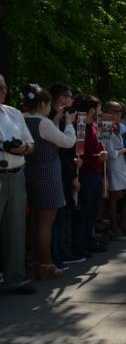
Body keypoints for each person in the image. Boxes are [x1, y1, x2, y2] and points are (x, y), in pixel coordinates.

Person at [22, 84, 77, 280]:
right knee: (46, 223)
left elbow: (46, 135)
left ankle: (36, 262)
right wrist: (69, 123)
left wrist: (56, 119)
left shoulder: (24, 119)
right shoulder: (42, 123)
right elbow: (66, 142)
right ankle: (47, 264)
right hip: (48, 174)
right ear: (43, 103)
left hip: (31, 172)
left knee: (36, 220)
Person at [0, 75, 37, 294]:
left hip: (16, 173)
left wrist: (22, 148)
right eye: (0, 87)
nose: (3, 91)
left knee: (16, 228)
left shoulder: (13, 113)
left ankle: (15, 278)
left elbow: (31, 143)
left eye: (4, 87)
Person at [48, 82, 85, 269]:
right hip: (59, 174)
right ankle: (54, 255)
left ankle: (61, 250)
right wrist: (72, 174)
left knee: (64, 215)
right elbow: (63, 148)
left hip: (67, 170)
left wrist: (75, 163)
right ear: (62, 97)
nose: (71, 99)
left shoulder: (63, 119)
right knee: (57, 217)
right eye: (69, 96)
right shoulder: (54, 119)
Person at [72, 94, 108, 257]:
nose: (100, 112)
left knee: (93, 211)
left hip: (96, 173)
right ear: (92, 110)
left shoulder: (94, 127)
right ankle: (79, 244)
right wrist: (96, 156)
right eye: (99, 108)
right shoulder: (79, 128)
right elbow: (80, 154)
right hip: (86, 174)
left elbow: (99, 146)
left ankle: (89, 239)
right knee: (84, 211)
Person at [103, 101, 126, 240]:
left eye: (120, 111)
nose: (118, 113)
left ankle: (122, 225)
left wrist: (123, 152)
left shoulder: (116, 126)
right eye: (115, 111)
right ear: (107, 112)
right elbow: (110, 153)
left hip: (121, 165)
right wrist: (123, 151)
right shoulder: (104, 127)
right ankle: (114, 228)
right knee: (116, 197)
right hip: (113, 166)